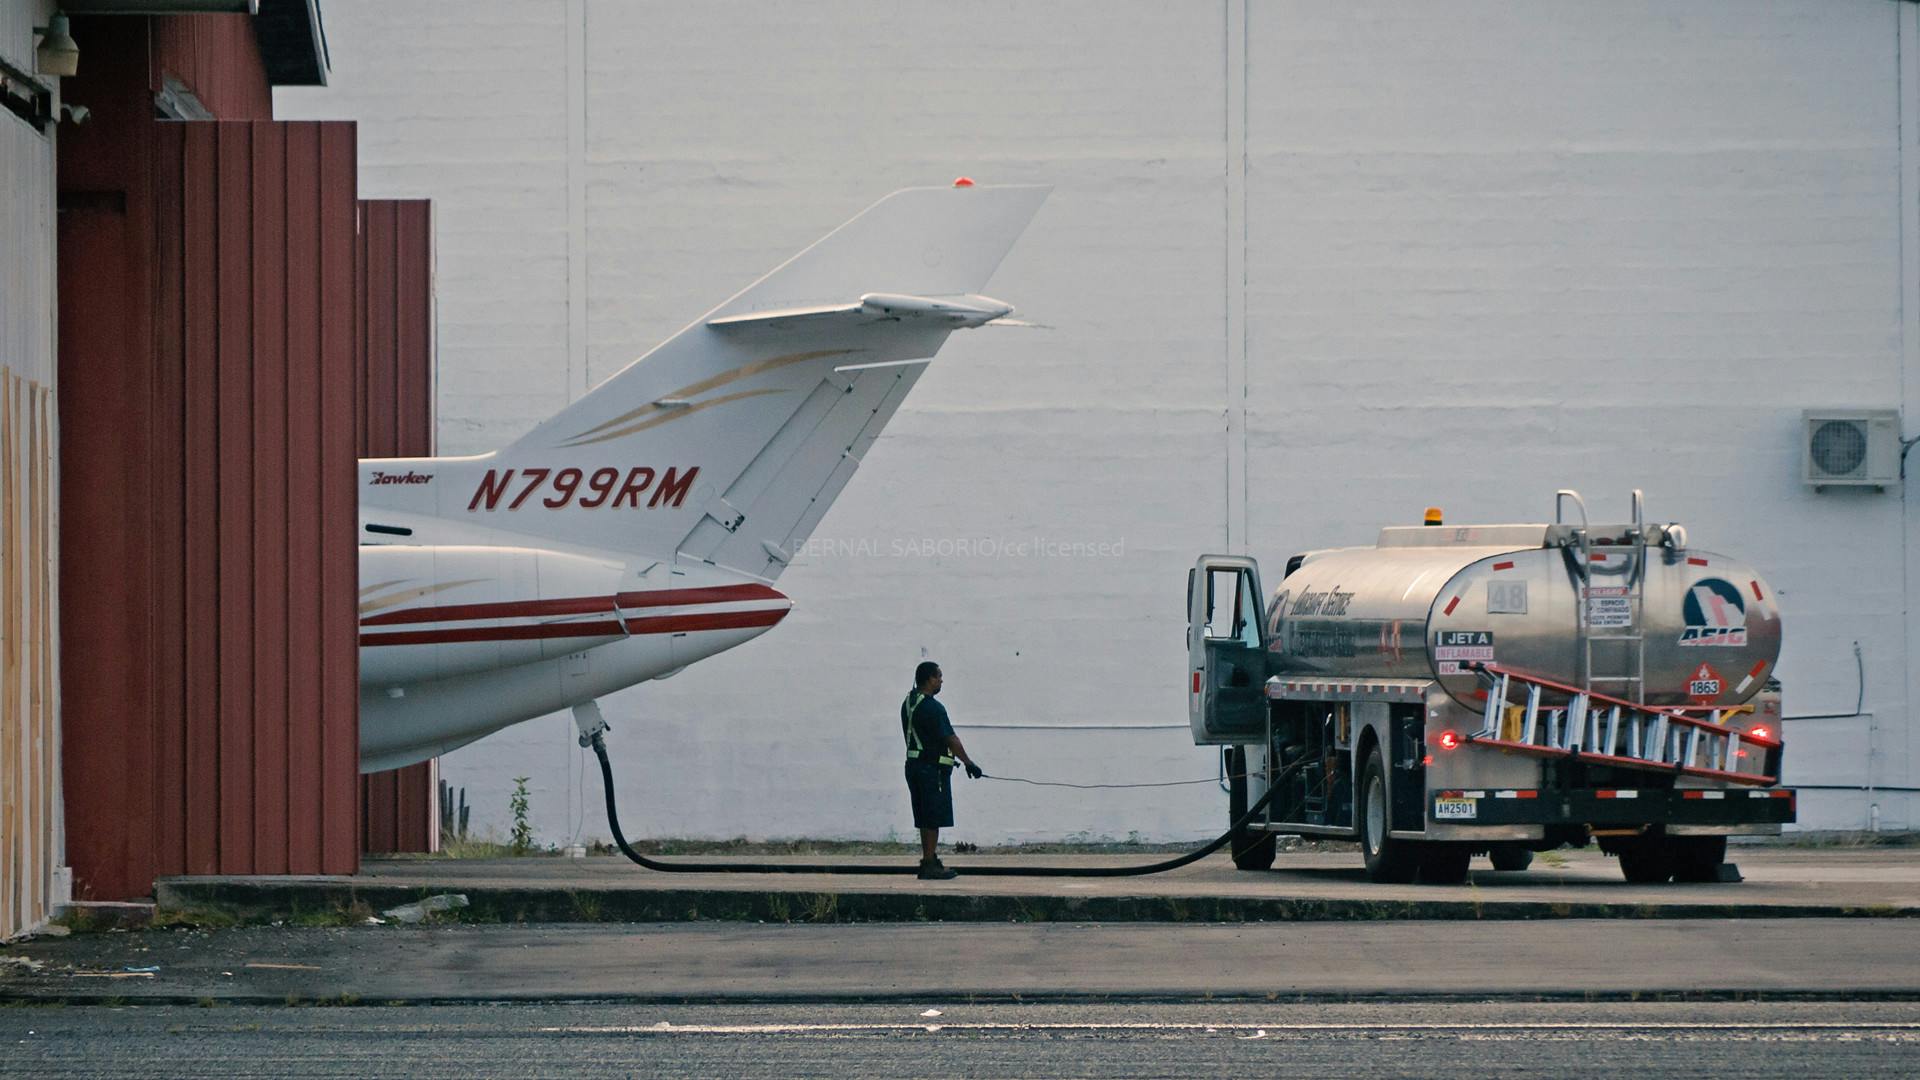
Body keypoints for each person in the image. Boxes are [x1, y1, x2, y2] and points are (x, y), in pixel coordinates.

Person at [901, 661, 984, 879]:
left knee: (923, 814)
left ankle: (929, 857)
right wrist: (968, 762)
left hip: (913, 766)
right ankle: (929, 863)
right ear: (929, 679)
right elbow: (950, 739)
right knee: (932, 816)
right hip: (931, 769)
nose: (941, 681)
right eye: (939, 677)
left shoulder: (908, 703)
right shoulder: (933, 707)